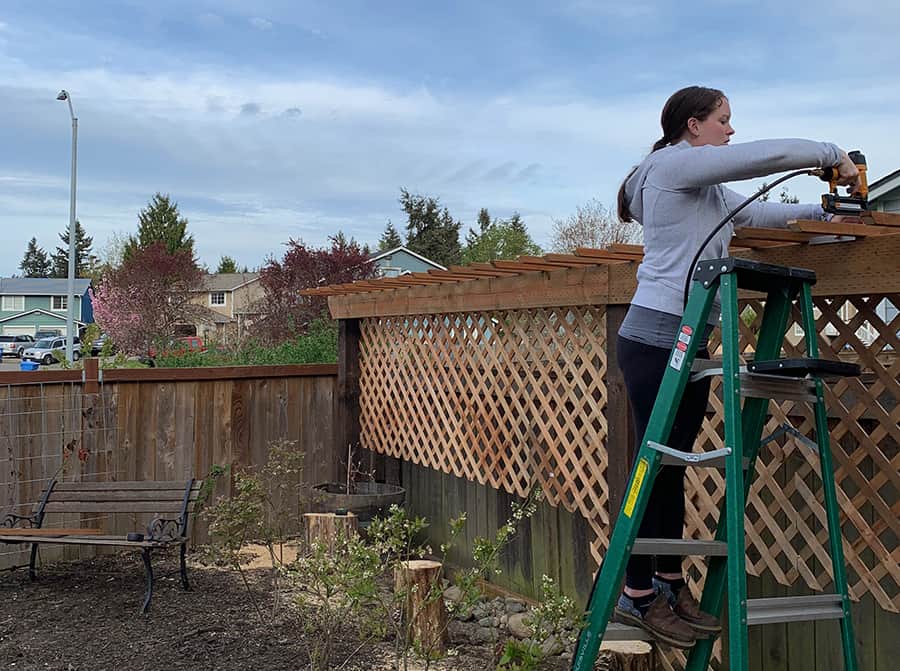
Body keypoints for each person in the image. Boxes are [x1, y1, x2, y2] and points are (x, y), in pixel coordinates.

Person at [612, 85, 860, 648]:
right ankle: (636, 594)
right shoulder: (673, 166)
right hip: (655, 338)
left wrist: (822, 211)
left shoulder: (707, 192)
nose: (731, 130)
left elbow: (764, 210)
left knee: (673, 465)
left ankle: (669, 584)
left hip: (689, 339)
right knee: (655, 464)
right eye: (724, 120)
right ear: (693, 126)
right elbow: (768, 159)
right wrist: (829, 153)